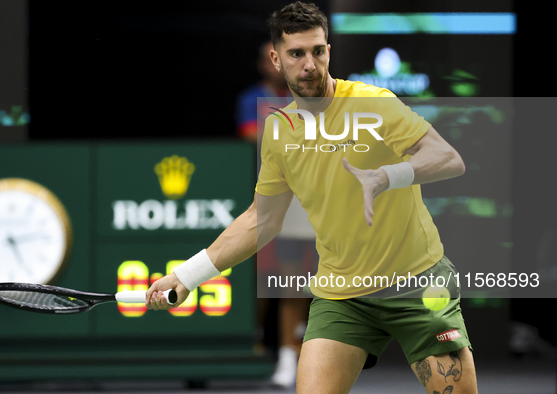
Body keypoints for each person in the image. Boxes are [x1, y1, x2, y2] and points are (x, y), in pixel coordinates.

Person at [146, 2, 478, 393]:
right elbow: (260, 220)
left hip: (417, 284)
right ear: (276, 58)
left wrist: (387, 175)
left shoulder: (372, 102)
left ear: (329, 52)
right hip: (342, 297)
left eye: (318, 51)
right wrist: (186, 276)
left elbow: (448, 158)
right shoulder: (279, 131)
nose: (309, 64)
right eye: (296, 53)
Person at [235, 40, 316, 388]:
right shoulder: (249, 99)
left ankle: (298, 352)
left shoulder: (314, 98)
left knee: (308, 285)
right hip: (268, 204)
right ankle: (262, 345)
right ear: (264, 63)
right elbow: (253, 137)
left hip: (313, 205)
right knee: (270, 282)